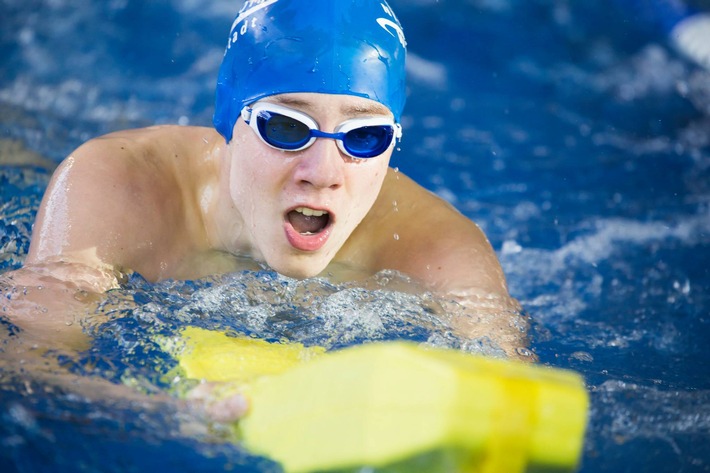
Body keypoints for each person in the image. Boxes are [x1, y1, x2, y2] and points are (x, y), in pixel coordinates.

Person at [2, 0, 526, 359]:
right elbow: (35, 365)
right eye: (286, 127)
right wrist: (170, 411)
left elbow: (507, 398)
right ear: (230, 122)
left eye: (363, 137)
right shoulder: (116, 187)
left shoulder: (441, 249)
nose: (323, 175)